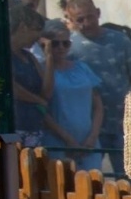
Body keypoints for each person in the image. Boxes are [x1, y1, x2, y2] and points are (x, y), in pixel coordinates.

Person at [61, 0, 131, 169]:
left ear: (98, 13)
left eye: (90, 17)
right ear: (70, 20)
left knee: (127, 175)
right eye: (79, 19)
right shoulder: (69, 47)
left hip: (122, 121)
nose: (86, 23)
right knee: (89, 177)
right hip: (89, 125)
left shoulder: (120, 40)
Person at [38, 19, 104, 171]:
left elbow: (98, 106)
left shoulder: (82, 67)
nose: (61, 48)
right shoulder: (41, 70)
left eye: (65, 43)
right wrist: (68, 140)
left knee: (93, 188)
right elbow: (42, 110)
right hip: (58, 141)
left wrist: (93, 137)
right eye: (55, 44)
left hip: (89, 142)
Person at [6, 1, 51, 143]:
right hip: (10, 129)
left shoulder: (30, 57)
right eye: (37, 29)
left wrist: (50, 58)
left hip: (33, 129)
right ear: (23, 27)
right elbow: (9, 86)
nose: (40, 36)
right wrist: (37, 100)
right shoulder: (1, 54)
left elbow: (47, 93)